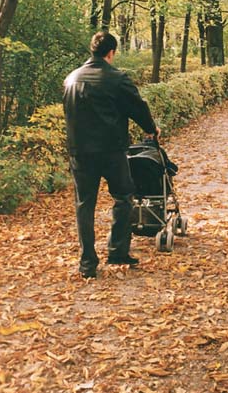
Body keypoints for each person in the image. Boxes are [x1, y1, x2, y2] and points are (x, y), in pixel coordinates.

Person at [63, 31, 160, 279]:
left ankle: (87, 263)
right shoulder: (117, 79)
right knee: (124, 196)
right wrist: (151, 129)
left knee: (84, 205)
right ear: (111, 52)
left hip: (80, 153)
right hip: (111, 151)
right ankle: (117, 250)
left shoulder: (71, 79)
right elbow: (138, 106)